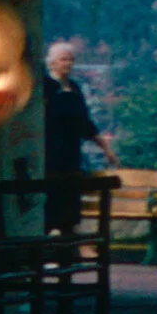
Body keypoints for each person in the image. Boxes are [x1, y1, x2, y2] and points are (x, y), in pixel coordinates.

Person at [42, 40, 116, 235]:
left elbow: (86, 124)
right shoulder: (45, 87)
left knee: (70, 205)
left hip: (72, 155)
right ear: (52, 62)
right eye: (63, 59)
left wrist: (106, 149)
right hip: (50, 156)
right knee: (53, 203)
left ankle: (68, 248)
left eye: (71, 59)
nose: (68, 63)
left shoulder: (75, 88)